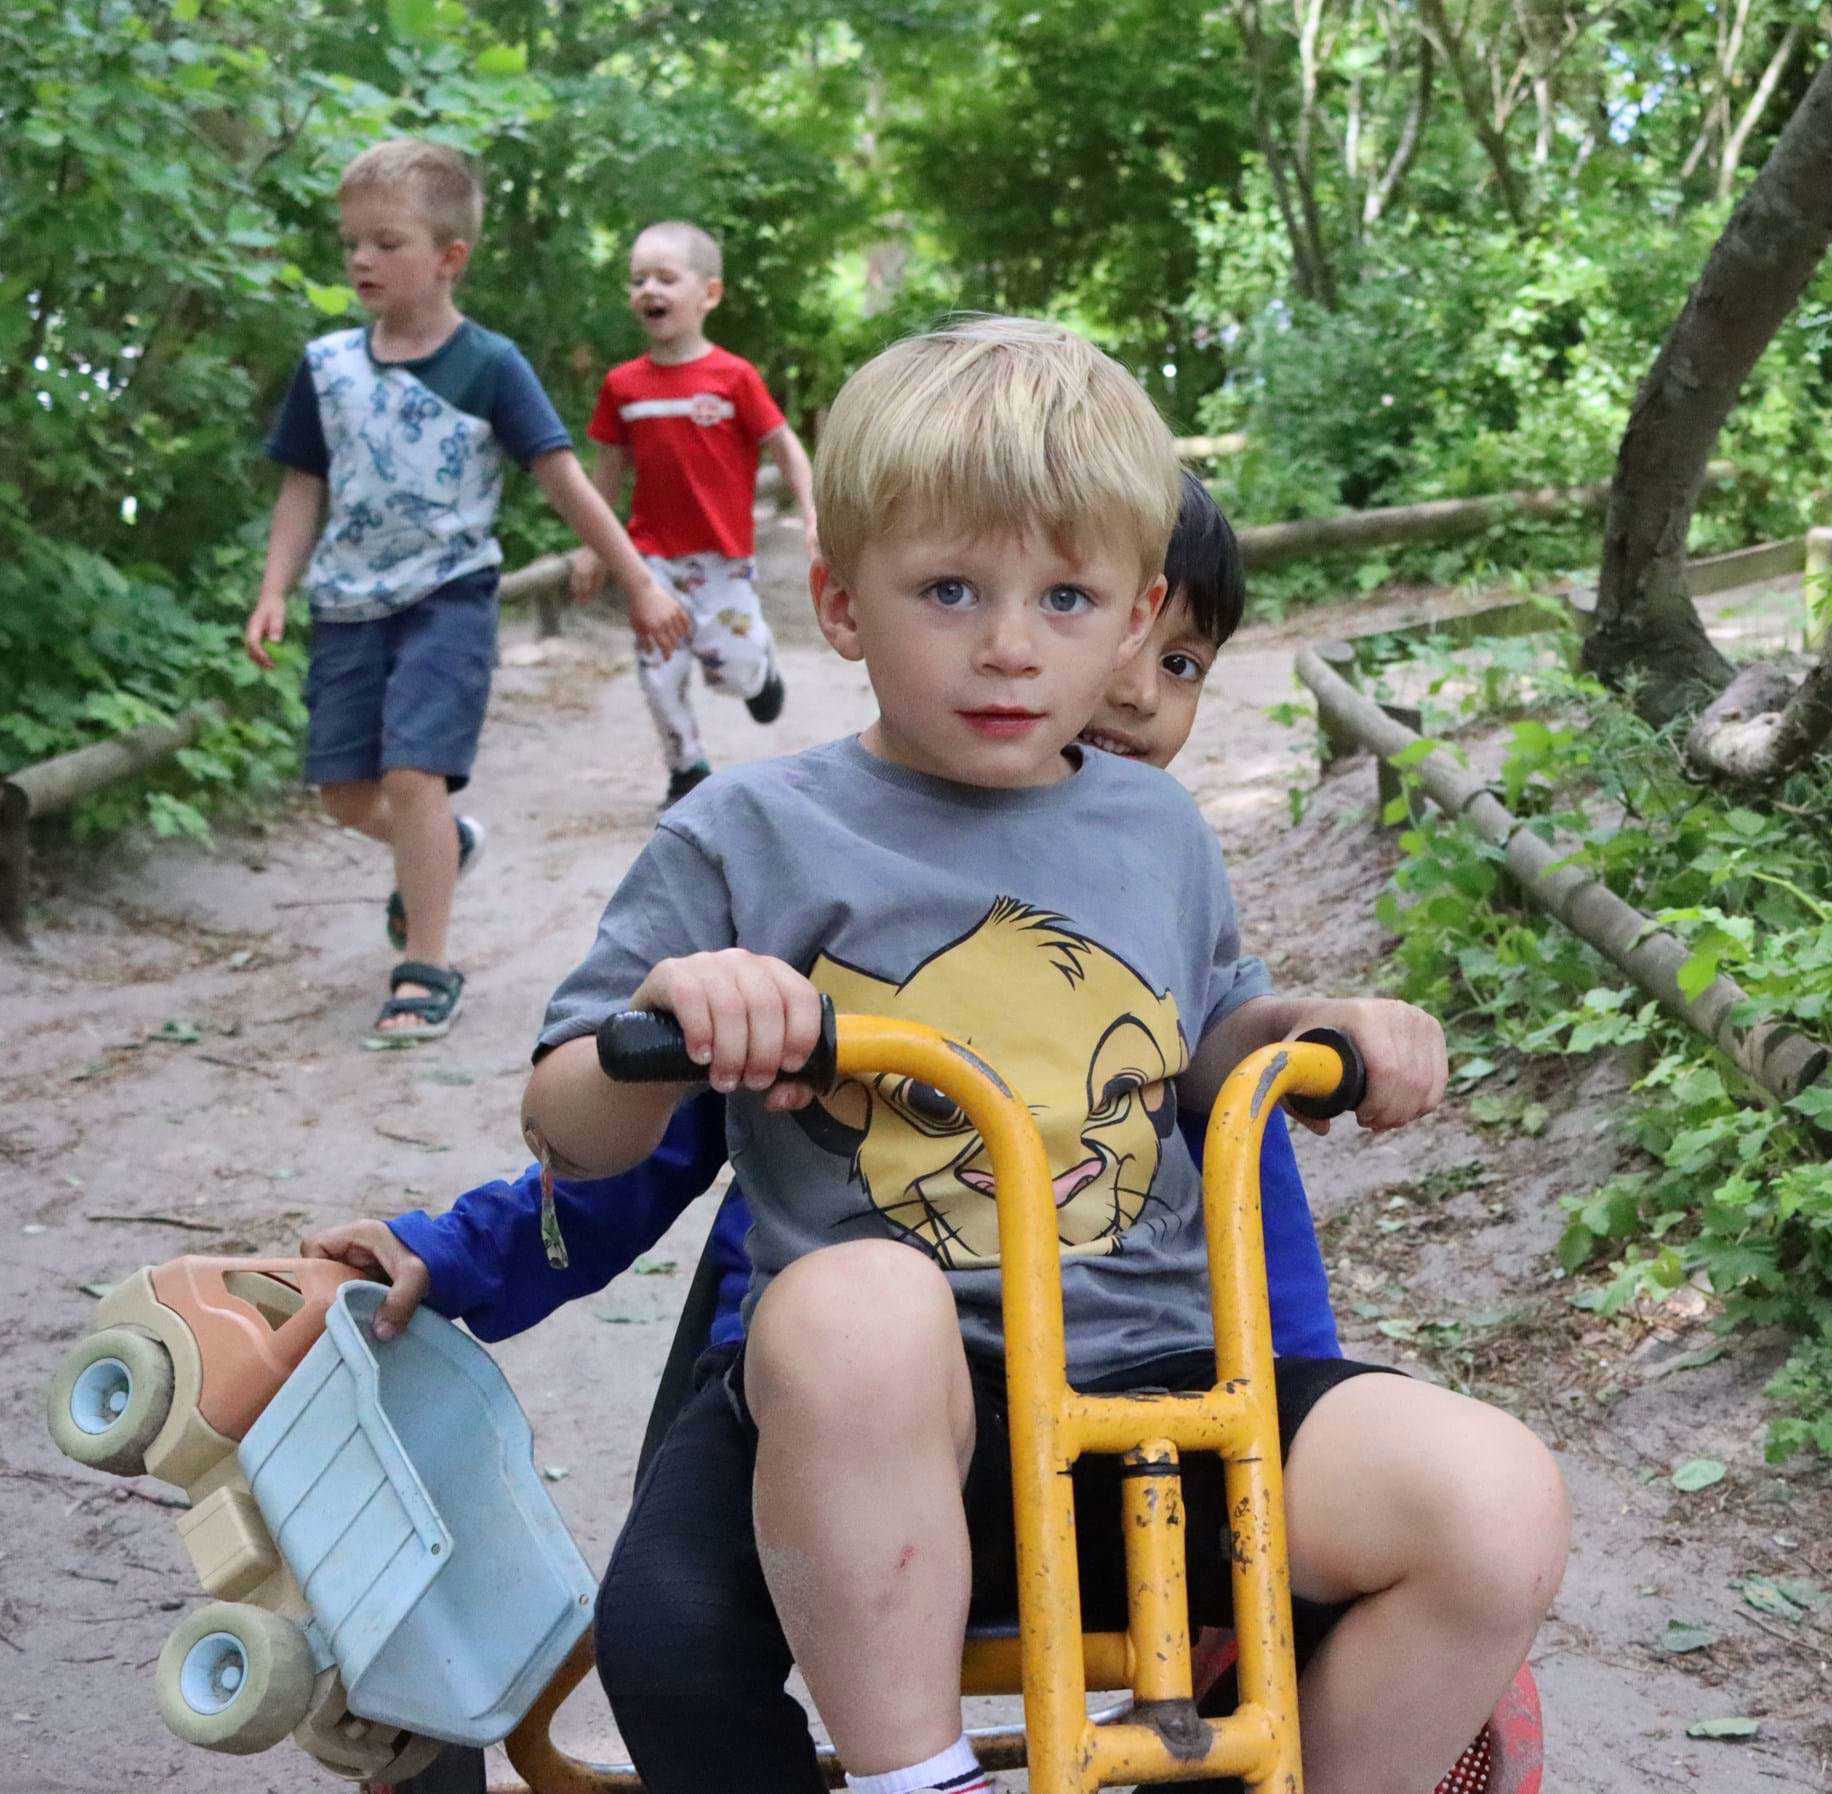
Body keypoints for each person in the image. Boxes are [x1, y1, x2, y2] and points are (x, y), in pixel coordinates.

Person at [516, 317, 1568, 1794]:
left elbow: (1214, 1051)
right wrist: (672, 1025)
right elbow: (570, 1125)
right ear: (838, 603)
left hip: (1154, 1392)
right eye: (949, 588)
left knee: (1495, 1500)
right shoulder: (746, 838)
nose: (1011, 643)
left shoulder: (1155, 829)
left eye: (1066, 597)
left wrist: (1318, 1031)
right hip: (875, 1422)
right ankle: (910, 1779)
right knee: (695, 1585)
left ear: (1137, 615)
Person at [303, 475, 1336, 1377]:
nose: (1134, 691)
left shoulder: (1159, 931)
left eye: (1181, 662)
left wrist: (1281, 1455)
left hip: (1128, 1392)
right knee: (682, 1600)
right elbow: (640, 1145)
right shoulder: (812, 880)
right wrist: (451, 1254)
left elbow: (1265, 1241)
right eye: (1097, 629)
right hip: (834, 1372)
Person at [243, 137, 689, 1049]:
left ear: (450, 257)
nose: (362, 259)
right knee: (342, 793)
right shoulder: (327, 367)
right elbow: (302, 484)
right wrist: (272, 588)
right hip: (347, 604)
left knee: (415, 775)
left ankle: (426, 967)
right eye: (352, 243)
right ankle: (447, 842)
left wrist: (639, 580)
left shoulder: (489, 365)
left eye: (387, 242)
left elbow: (562, 477)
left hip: (447, 597)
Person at [568, 219, 818, 807]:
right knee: (658, 670)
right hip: (648, 555)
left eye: (665, 278)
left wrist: (811, 513)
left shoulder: (733, 377)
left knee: (729, 667)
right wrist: (592, 548)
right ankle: (687, 768)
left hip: (723, 554)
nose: (648, 290)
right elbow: (605, 472)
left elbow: (785, 446)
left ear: (708, 294)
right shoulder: (623, 385)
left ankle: (760, 674)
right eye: (637, 280)